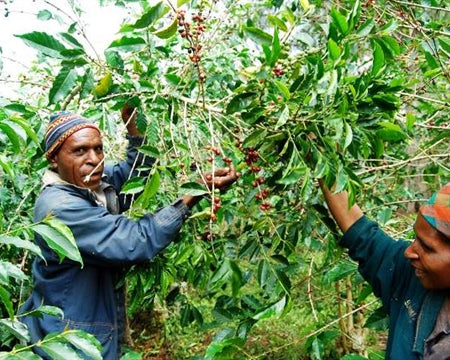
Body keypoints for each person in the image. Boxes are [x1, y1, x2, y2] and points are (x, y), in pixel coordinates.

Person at [20, 107, 239, 359]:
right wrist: (192, 195)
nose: (94, 159)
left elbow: (136, 172)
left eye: (98, 148)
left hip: (89, 325)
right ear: (54, 159)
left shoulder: (90, 181)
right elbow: (135, 240)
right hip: (69, 337)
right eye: (79, 151)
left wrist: (134, 129)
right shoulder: (60, 207)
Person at [319, 180, 450, 359]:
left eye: (427, 248)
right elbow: (363, 237)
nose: (409, 252)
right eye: (415, 238)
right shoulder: (411, 278)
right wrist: (320, 162)